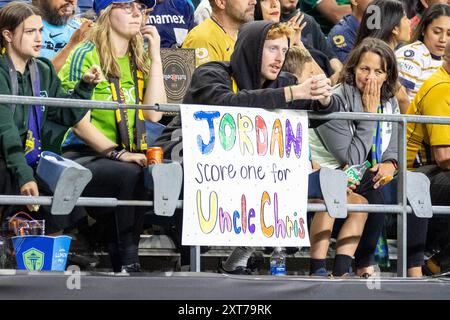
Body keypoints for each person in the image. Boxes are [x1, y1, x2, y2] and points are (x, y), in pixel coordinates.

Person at [161, 21, 340, 273]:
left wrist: (324, 100)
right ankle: (192, 263)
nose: (280, 58)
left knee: (278, 168)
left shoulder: (282, 81)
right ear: (251, 49)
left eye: (285, 51)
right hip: (187, 154)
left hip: (245, 163)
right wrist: (290, 93)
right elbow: (227, 103)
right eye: (272, 49)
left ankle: (239, 257)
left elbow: (322, 111)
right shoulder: (211, 73)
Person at [58, 0, 166, 272]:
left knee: (152, 171)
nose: (136, 13)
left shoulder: (136, 55)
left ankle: (110, 247)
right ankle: (129, 261)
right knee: (131, 173)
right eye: (126, 6)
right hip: (81, 154)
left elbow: (154, 114)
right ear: (106, 12)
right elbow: (77, 122)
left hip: (124, 155)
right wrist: (118, 153)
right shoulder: (86, 53)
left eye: (140, 8)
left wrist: (155, 57)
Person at [0, 2, 101, 220]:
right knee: (10, 177)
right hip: (7, 160)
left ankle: (55, 250)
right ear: (8, 35)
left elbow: (66, 115)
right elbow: (6, 132)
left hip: (32, 158)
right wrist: (25, 176)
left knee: (61, 208)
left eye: (40, 31)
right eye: (30, 32)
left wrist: (85, 87)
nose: (39, 38)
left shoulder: (44, 70)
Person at [310, 38, 401, 277]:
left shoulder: (388, 100)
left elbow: (394, 140)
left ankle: (413, 270)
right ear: (353, 69)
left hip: (362, 172)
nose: (371, 78)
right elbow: (351, 157)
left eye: (379, 71)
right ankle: (360, 265)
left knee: (399, 186)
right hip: (330, 170)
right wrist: (369, 116)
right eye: (365, 69)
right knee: (373, 191)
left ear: (387, 75)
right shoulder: (337, 99)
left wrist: (391, 164)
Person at [405, 41, 450, 277]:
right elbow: (445, 157)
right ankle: (439, 263)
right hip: (416, 176)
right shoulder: (442, 87)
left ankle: (438, 263)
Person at [354, 0, 411, 113]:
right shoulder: (380, 60)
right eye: (405, 18)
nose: (409, 22)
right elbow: (402, 99)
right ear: (394, 28)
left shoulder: (362, 53)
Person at [279, 0, 343, 83]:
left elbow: (331, 56)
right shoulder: (268, 28)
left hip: (326, 82)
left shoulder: (307, 20)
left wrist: (339, 72)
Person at [396, 4, 450, 103]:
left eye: (449, 34)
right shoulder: (412, 54)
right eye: (437, 32)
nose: (443, 39)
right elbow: (400, 98)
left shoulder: (446, 59)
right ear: (423, 30)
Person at [182, 0, 256, 66]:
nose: (254, 2)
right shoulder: (203, 39)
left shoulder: (239, 35)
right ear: (221, 2)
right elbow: (206, 81)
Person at [32, 0, 93, 72]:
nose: (72, 1)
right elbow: (39, 79)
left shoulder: (84, 29)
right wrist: (73, 44)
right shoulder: (27, 29)